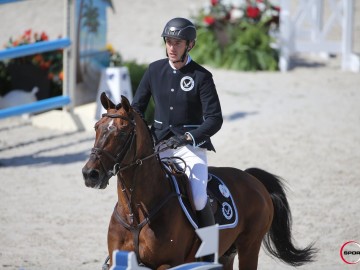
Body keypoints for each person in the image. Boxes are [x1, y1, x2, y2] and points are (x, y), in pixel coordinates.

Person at [131, 17, 223, 259]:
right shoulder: (154, 70)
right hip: (157, 145)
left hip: (189, 148)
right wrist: (145, 134)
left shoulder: (202, 77)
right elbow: (137, 108)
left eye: (177, 43)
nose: (172, 47)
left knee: (199, 195)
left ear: (189, 45)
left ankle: (210, 250)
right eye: (169, 42)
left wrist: (189, 137)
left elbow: (215, 119)